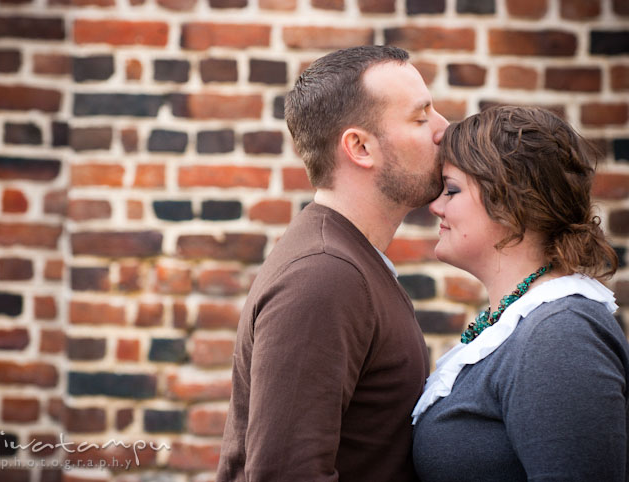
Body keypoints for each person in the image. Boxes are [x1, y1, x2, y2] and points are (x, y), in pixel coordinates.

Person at [217, 45, 448, 481]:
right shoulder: (324, 276)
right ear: (359, 146)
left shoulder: (346, 261)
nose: (443, 129)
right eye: (421, 118)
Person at [412, 106, 629, 481]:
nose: (436, 206)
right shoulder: (527, 324)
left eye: (451, 190)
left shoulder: (560, 334)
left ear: (510, 200)